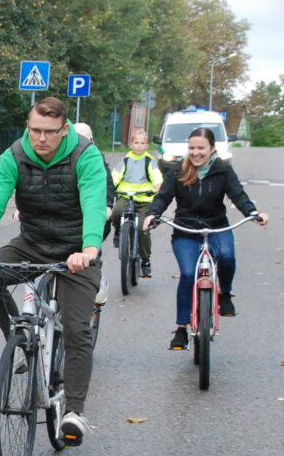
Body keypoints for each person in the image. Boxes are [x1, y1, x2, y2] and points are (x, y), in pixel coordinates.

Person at [0, 97, 107, 446]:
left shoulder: (85, 156)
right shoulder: (16, 154)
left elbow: (92, 202)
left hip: (76, 251)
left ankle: (73, 412)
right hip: (33, 242)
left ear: (65, 129)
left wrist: (89, 249)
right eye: (34, 130)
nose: (40, 139)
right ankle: (18, 337)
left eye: (49, 132)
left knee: (76, 328)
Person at [142, 127, 269, 350]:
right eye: (192, 148)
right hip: (186, 230)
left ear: (212, 149)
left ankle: (225, 294)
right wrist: (153, 214)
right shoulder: (178, 170)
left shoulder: (223, 170)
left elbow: (237, 194)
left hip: (216, 227)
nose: (196, 152)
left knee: (228, 257)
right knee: (189, 274)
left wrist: (252, 212)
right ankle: (181, 328)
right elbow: (163, 196)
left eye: (201, 148)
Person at [112, 129, 163, 277]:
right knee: (116, 211)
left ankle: (145, 261)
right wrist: (111, 186)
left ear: (147, 145)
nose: (139, 146)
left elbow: (156, 176)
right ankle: (117, 231)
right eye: (136, 142)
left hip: (144, 199)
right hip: (126, 197)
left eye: (142, 143)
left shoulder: (149, 162)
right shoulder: (125, 161)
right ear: (131, 144)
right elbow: (116, 176)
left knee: (143, 229)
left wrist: (158, 185)